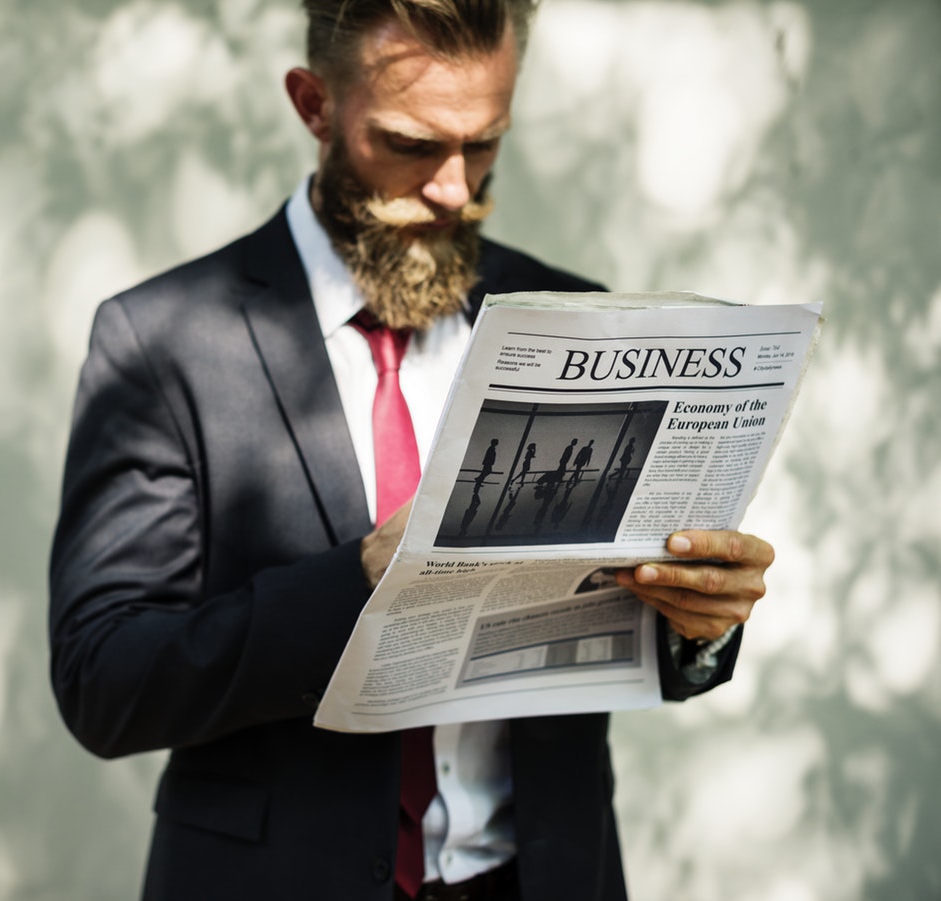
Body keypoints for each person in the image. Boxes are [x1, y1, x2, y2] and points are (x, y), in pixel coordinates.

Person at [49, 2, 774, 899]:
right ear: (314, 105)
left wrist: (697, 622)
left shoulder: (575, 317)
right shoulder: (162, 340)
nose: (453, 188)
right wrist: (361, 579)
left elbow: (617, 634)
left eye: (485, 145)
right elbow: (105, 680)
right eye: (410, 144)